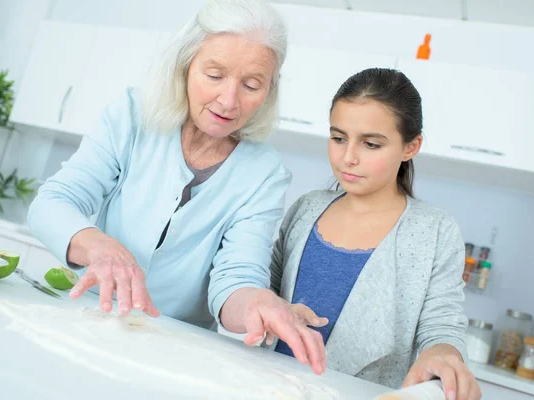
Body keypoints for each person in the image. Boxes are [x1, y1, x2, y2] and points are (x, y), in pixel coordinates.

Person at [27, 0, 326, 373]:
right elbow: (53, 203)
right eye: (214, 75)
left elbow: (236, 277)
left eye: (251, 84)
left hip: (173, 354)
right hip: (87, 321)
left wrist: (257, 304)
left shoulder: (264, 174)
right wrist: (100, 246)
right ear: (184, 66)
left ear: (269, 90)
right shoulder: (133, 116)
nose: (229, 100)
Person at [254, 68, 481, 399]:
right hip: (269, 388)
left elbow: (442, 324)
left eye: (371, 144)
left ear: (411, 146)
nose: (348, 157)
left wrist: (443, 352)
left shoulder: (434, 230)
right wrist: (275, 310)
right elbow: (264, 289)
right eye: (338, 138)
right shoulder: (306, 208)